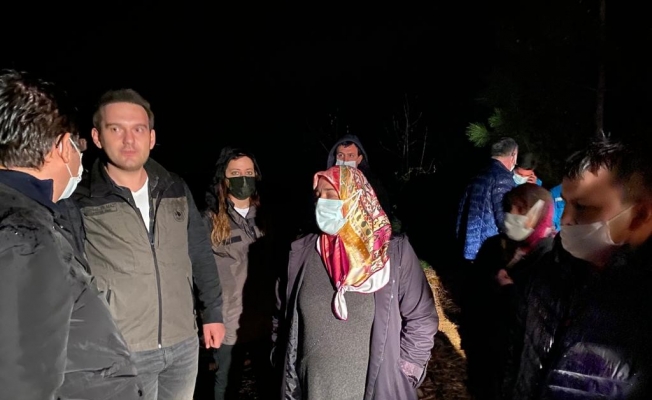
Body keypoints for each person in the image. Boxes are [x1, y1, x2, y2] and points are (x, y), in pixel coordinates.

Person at [73, 88, 225, 400]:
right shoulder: (81, 198)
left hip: (182, 344)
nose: (129, 140)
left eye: (138, 129)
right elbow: (70, 277)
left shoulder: (175, 187)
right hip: (120, 351)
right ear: (97, 137)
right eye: (116, 129)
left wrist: (212, 313)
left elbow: (199, 254)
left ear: (152, 138)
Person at [0, 69, 142, 399]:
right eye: (79, 148)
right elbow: (21, 383)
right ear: (65, 147)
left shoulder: (35, 215)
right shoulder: (24, 238)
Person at [274, 165, 438, 400]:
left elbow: (422, 317)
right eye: (318, 196)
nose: (322, 203)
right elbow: (281, 315)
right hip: (314, 389)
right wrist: (279, 357)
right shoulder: (302, 254)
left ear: (357, 197)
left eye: (331, 195)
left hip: (375, 392)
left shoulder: (393, 254)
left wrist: (406, 372)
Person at [508, 139, 652, 399]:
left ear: (640, 215)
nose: (565, 220)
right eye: (565, 203)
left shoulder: (641, 306)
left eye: (583, 208)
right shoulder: (547, 272)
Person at [203, 147, 275, 399]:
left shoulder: (268, 216)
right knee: (226, 386)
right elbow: (200, 272)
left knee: (270, 384)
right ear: (223, 178)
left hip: (265, 322)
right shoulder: (210, 220)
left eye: (248, 172)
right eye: (235, 173)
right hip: (228, 324)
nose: (243, 178)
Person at [456, 137, 519, 262]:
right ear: (513, 155)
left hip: (469, 242)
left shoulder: (478, 172)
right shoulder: (502, 178)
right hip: (488, 246)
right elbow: (504, 217)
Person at [326, 134, 395, 227]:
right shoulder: (325, 182)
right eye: (340, 155)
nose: (345, 160)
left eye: (351, 155)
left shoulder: (372, 185)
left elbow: (383, 217)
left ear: (359, 159)